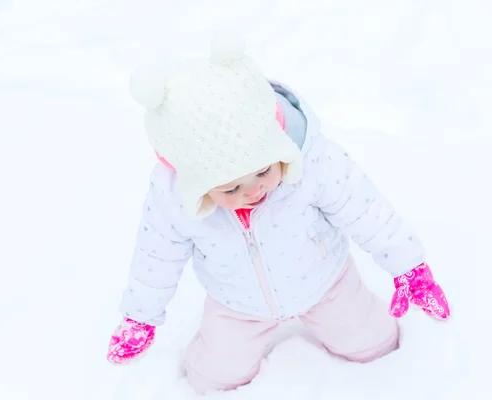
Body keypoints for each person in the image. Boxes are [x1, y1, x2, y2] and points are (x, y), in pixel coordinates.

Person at [107, 31, 450, 394]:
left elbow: (365, 208)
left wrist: (408, 265)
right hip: (236, 304)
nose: (253, 190)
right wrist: (140, 316)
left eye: (263, 172)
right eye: (230, 188)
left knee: (374, 343)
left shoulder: (312, 162)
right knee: (212, 377)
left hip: (327, 283)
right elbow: (156, 254)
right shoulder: (174, 198)